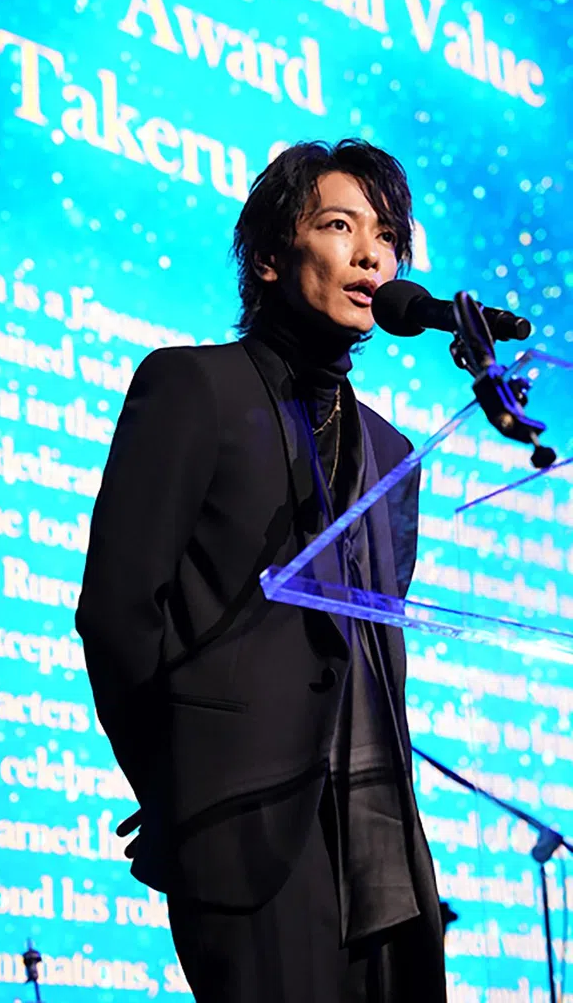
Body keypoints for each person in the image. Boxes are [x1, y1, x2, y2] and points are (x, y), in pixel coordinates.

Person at [76, 139, 447, 1002]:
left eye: (387, 237)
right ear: (274, 258)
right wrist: (176, 787)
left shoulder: (395, 454)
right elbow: (118, 611)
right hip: (243, 826)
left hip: (381, 836)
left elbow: (371, 639)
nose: (371, 255)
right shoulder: (193, 387)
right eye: (340, 226)